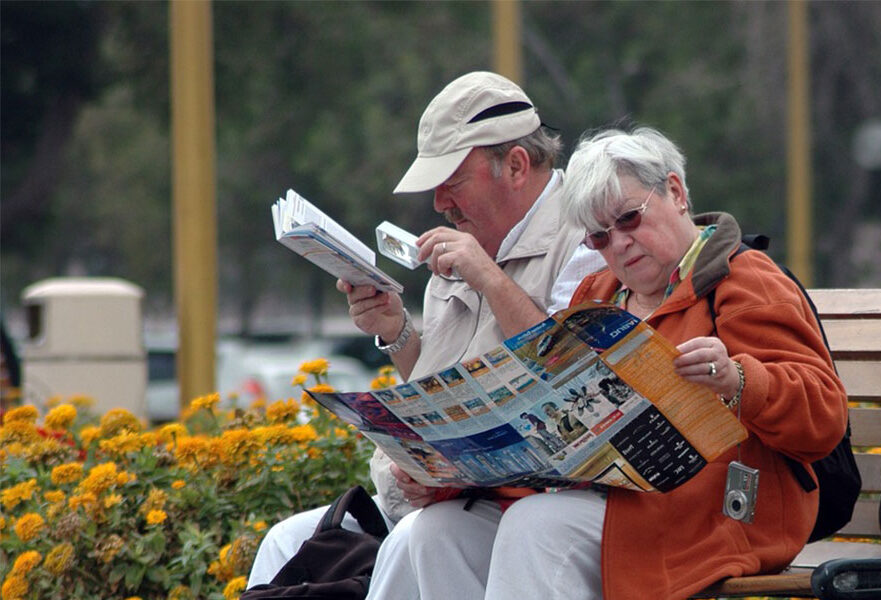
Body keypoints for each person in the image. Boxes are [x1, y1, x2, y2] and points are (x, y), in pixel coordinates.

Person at [366, 126, 848, 599]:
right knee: (438, 532)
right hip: (604, 503)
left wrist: (738, 378)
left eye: (629, 219)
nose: (618, 243)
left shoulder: (740, 279)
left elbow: (823, 418)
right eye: (598, 237)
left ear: (676, 192)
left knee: (538, 527)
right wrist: (446, 477)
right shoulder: (595, 296)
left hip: (715, 513)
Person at [247, 71, 604, 587]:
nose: (439, 203)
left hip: (510, 504)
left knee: (421, 537)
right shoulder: (463, 243)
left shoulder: (586, 233)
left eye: (451, 183)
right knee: (284, 542)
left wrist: (487, 274)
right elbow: (438, 386)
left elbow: (567, 377)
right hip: (430, 496)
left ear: (517, 166)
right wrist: (397, 333)